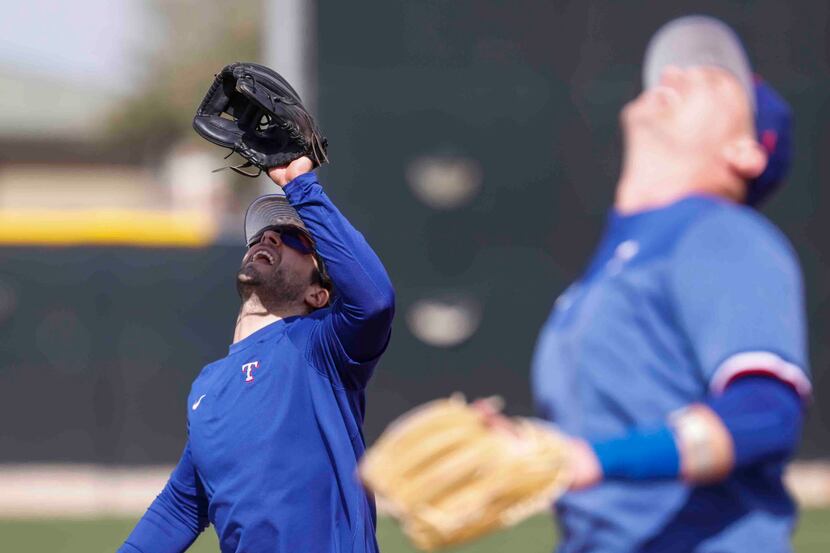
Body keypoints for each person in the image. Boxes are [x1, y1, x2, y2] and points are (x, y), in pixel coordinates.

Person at [530, 15, 809, 552]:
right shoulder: (612, 267)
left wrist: (592, 461)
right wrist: (525, 449)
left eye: (714, 77)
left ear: (747, 151)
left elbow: (766, 411)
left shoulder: (723, 234)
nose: (679, 73)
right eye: (674, 67)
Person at [118, 156, 395, 553]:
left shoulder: (321, 347)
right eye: (263, 235)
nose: (270, 237)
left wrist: (301, 185)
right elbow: (179, 508)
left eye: (295, 239)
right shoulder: (208, 387)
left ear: (319, 293)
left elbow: (375, 300)